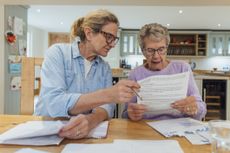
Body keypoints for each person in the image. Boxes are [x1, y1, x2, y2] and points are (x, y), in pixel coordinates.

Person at [34, 9, 140, 139]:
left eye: (114, 39)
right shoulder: (58, 53)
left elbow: (106, 108)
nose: (112, 44)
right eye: (108, 37)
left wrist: (91, 120)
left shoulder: (104, 67)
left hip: (84, 135)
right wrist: (108, 94)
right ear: (89, 33)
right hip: (48, 132)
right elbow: (54, 104)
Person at [122, 23, 207, 121]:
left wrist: (195, 108)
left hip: (179, 127)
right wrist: (130, 114)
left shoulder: (183, 68)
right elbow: (125, 114)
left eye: (161, 49)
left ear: (167, 48)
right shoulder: (135, 74)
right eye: (150, 50)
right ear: (143, 51)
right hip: (146, 128)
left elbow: (202, 109)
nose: (156, 56)